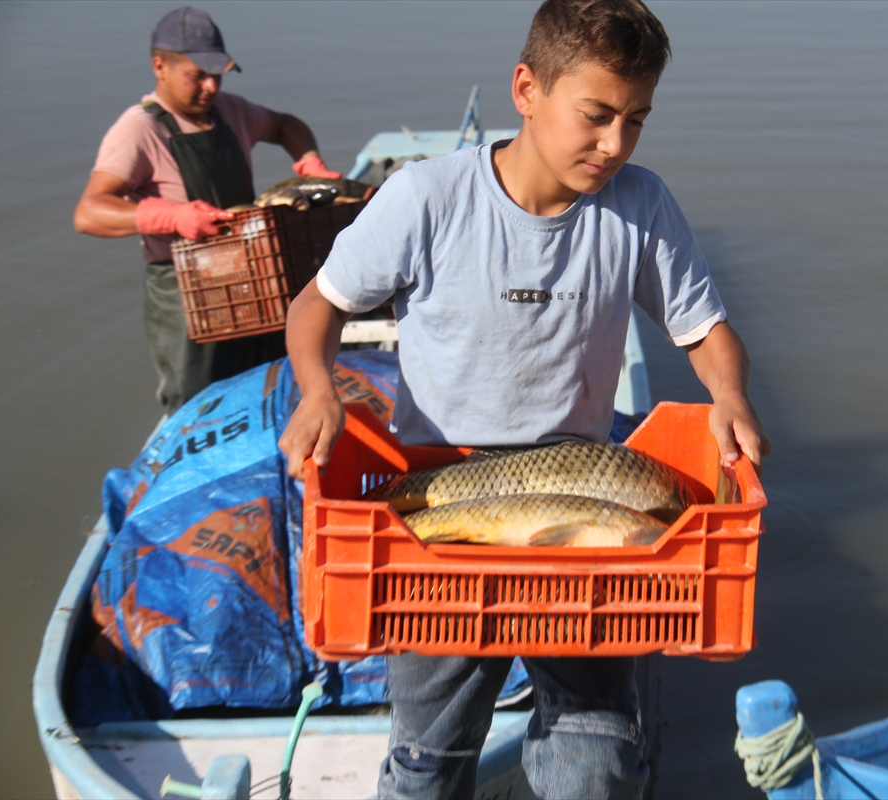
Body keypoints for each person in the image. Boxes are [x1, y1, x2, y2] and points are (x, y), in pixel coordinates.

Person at [279, 0, 771, 796]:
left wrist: (732, 393)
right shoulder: (426, 199)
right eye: (596, 115)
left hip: (578, 484)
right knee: (427, 759)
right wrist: (316, 390)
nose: (615, 144)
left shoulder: (640, 207)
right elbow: (318, 304)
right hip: (442, 494)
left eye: (636, 121)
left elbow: (707, 333)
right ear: (526, 89)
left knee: (595, 752)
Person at [74, 6, 342, 415]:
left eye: (217, 75)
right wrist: (170, 217)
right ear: (159, 67)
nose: (211, 86)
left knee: (272, 386)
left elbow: (286, 124)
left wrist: (309, 162)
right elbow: (90, 212)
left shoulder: (229, 112)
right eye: (197, 75)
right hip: (186, 293)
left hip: (252, 278)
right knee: (197, 406)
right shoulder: (139, 130)